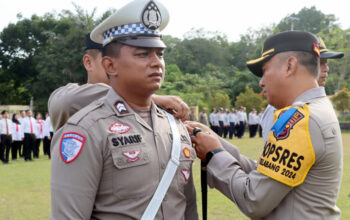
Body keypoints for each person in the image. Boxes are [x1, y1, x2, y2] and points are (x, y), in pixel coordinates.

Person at [50, 0, 198, 219]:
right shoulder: (86, 131)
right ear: (110, 65)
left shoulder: (174, 127)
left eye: (160, 53)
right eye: (143, 54)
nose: (157, 62)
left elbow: (187, 207)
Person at [186, 31, 343, 219]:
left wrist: (214, 155)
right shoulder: (315, 109)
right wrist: (215, 141)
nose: (261, 82)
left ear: (289, 66)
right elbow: (268, 175)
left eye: (265, 70)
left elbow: (254, 199)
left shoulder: (300, 119)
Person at [48, 34, 190, 132]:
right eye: (141, 54)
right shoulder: (69, 98)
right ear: (89, 62)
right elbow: (67, 100)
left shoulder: (149, 107)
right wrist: (154, 99)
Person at [260, 36, 344, 143]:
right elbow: (272, 152)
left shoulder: (317, 104)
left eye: (326, 63)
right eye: (320, 63)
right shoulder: (278, 107)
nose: (326, 68)